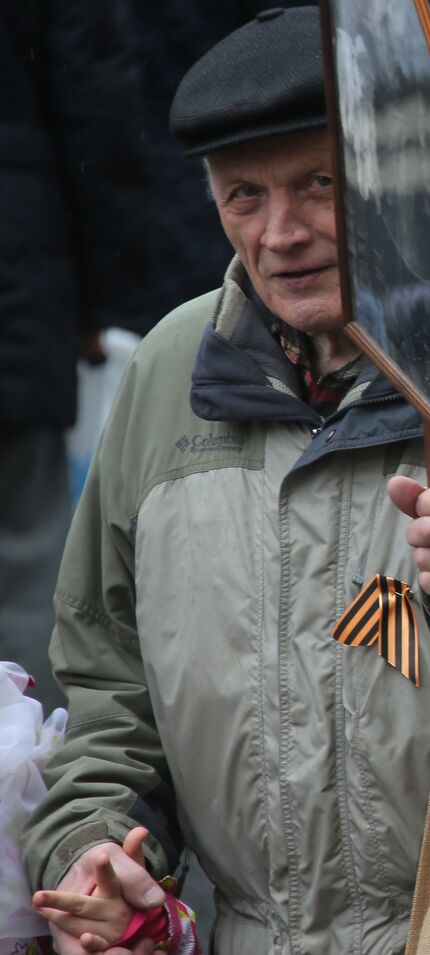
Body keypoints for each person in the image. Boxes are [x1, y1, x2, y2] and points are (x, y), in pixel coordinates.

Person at [22, 8, 430, 954]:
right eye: (243, 195)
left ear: (402, 160)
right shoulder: (169, 375)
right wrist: (95, 854)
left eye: (319, 184)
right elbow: (110, 698)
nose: (281, 233)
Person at [0, 0, 152, 715]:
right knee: (29, 554)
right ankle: (33, 795)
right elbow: (98, 109)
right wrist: (104, 299)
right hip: (17, 276)